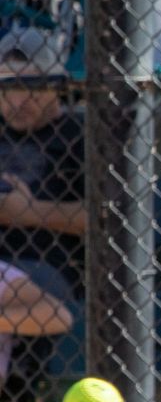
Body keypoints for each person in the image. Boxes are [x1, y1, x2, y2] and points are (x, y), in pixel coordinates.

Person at [0, 23, 83, 298]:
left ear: (56, 86)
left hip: (48, 270)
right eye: (6, 88)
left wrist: (32, 213)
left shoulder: (82, 135)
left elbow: (114, 217)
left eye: (30, 87)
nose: (16, 102)